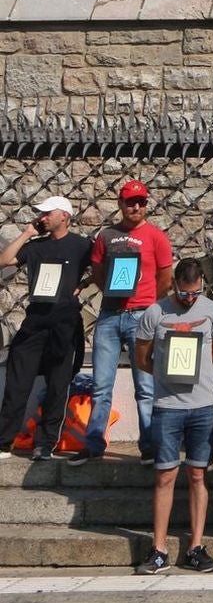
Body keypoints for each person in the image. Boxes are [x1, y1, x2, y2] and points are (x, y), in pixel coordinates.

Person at [70, 180, 173, 466]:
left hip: (142, 316)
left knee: (146, 387)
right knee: (101, 385)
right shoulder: (107, 235)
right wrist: (114, 294)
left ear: (146, 205)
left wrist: (148, 301)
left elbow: (166, 277)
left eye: (140, 202)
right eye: (130, 202)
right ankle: (93, 444)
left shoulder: (156, 237)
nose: (136, 207)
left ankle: (149, 446)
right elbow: (99, 272)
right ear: (120, 204)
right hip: (110, 315)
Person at [133, 259, 213, 575]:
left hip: (202, 405)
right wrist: (164, 376)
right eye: (184, 294)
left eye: (195, 293)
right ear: (174, 285)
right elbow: (142, 356)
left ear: (202, 285)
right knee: (165, 475)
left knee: (198, 474)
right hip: (167, 406)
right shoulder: (154, 313)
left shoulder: (212, 311)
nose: (189, 299)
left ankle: (195, 547)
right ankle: (159, 549)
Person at [0, 196, 91, 460]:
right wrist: (27, 232)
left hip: (65, 323)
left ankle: (45, 443)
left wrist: (84, 285)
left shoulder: (81, 245)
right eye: (41, 214)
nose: (42, 217)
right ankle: (5, 441)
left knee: (58, 384)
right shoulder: (35, 246)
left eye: (47, 213)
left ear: (64, 215)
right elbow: (4, 261)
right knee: (17, 382)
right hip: (35, 322)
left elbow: (103, 269)